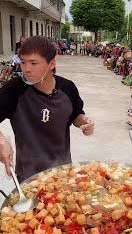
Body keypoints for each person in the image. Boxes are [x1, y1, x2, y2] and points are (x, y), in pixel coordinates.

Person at [0, 36, 94, 181]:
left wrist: (84, 122)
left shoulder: (67, 88)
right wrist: (1, 140)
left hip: (62, 169)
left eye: (33, 63)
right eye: (23, 62)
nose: (26, 69)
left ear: (51, 64)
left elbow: (76, 115)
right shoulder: (14, 89)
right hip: (28, 174)